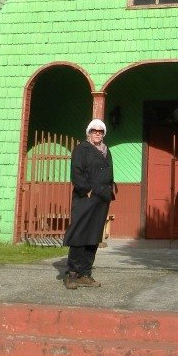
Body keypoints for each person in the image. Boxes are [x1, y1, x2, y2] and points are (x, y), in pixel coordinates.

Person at [62, 118, 115, 288]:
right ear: (89, 133)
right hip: (86, 198)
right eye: (94, 131)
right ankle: (71, 274)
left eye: (100, 131)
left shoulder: (106, 151)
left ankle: (85, 274)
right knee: (80, 234)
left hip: (102, 199)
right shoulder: (81, 149)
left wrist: (109, 190)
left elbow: (109, 173)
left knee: (93, 236)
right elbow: (76, 173)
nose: (97, 134)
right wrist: (87, 190)